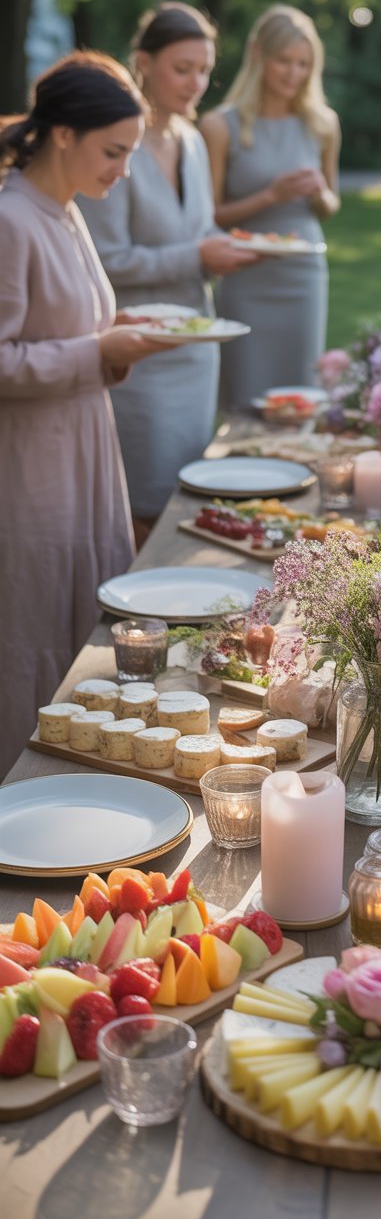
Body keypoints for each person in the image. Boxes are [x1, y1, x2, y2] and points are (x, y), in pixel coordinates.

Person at [0, 51, 166, 777]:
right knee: (34, 635)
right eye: (113, 152)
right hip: (31, 469)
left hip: (88, 455)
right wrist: (98, 347)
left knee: (86, 623)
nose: (122, 172)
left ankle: (88, 775)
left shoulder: (64, 209)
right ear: (62, 134)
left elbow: (67, 325)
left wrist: (118, 334)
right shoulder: (11, 219)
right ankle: (21, 797)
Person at [80, 3, 258, 541]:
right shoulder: (113, 144)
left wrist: (231, 247)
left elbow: (200, 231)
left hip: (198, 347)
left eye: (204, 70)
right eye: (183, 68)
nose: (196, 83)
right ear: (143, 62)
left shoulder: (193, 140)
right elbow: (108, 260)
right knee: (143, 507)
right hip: (142, 359)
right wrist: (199, 257)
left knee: (187, 501)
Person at [200, 3, 341, 411]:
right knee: (248, 394)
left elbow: (330, 206)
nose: (294, 74)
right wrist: (270, 196)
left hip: (304, 275)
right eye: (285, 61)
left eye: (303, 64)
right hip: (247, 277)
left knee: (300, 394)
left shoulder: (323, 123)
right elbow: (210, 216)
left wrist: (317, 193)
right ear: (258, 54)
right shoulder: (219, 126)